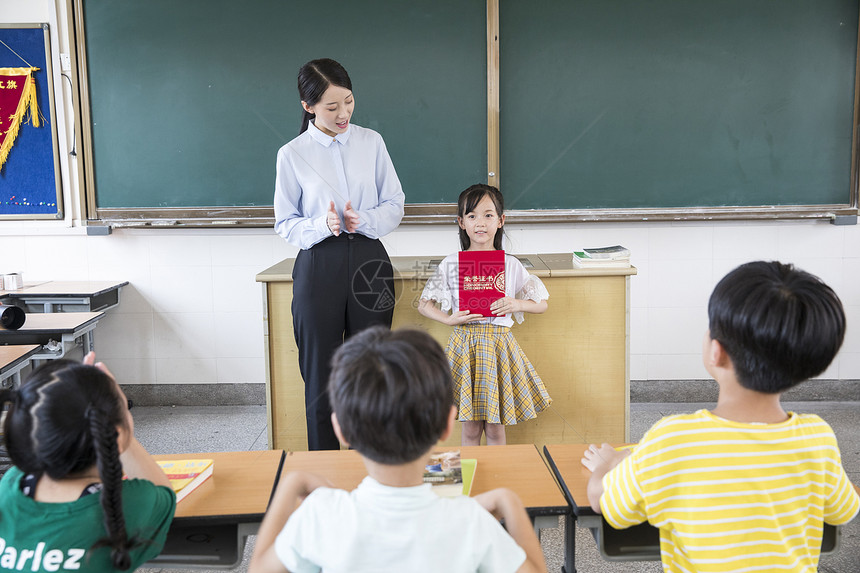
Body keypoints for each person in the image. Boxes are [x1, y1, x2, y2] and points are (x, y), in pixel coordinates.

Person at [582, 261, 860, 573]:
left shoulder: (674, 440)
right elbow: (842, 511)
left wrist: (610, 463)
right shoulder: (817, 438)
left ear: (717, 351)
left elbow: (603, 502)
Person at [249, 326, 546, 573]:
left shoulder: (320, 514)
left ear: (341, 430)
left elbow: (259, 568)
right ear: (446, 425)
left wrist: (292, 483)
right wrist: (509, 502)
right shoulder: (472, 521)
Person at [273, 58, 405, 451]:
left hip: (369, 262)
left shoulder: (372, 142)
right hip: (318, 265)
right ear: (307, 106)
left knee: (374, 372)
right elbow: (285, 223)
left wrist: (361, 219)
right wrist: (321, 225)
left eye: (348, 102)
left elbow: (395, 204)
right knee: (320, 380)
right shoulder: (292, 154)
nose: (343, 113)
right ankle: (325, 476)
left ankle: (377, 469)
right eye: (332, 107)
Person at [0, 352, 175, 572]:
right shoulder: (131, 502)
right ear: (115, 435)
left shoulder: (10, 485)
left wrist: (74, 396)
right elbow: (163, 492)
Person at [417, 184, 551, 446]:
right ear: (461, 222)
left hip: (499, 346)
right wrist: (449, 319)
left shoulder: (510, 264)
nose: (481, 223)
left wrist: (517, 304)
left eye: (489, 215)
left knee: (495, 428)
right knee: (469, 428)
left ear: (501, 221)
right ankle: (472, 478)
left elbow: (541, 303)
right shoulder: (452, 263)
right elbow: (424, 304)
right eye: (472, 215)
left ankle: (496, 474)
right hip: (464, 344)